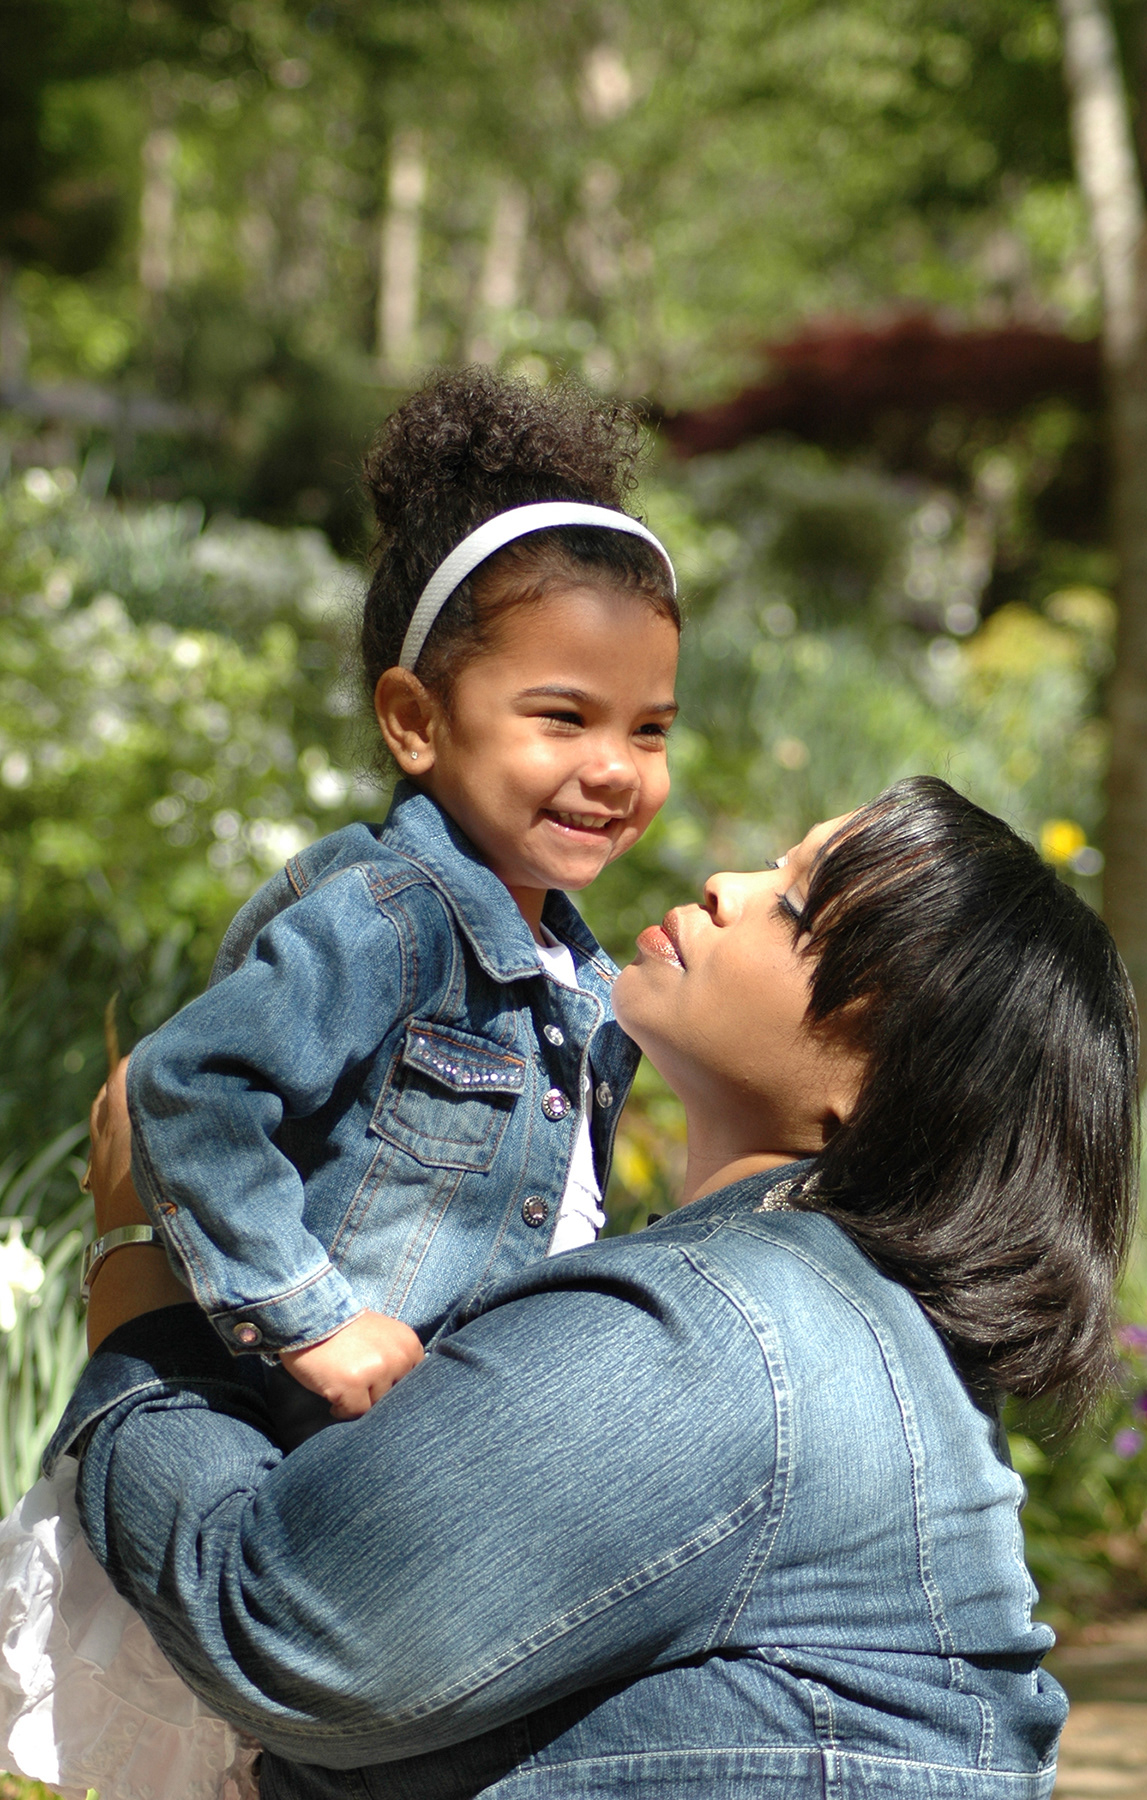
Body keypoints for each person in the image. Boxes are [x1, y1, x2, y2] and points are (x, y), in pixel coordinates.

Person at [51, 778, 1137, 1798]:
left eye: (794, 907)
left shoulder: (729, 1332)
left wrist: (141, 1274)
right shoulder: (823, 1315)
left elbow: (282, 1622)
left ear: (886, 1079)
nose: (728, 886)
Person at [112, 366, 681, 1427]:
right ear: (416, 721)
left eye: (649, 728)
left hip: (459, 1458)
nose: (616, 768)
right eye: (563, 717)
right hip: (308, 1458)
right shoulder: (390, 921)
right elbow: (189, 1086)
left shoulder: (584, 980)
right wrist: (312, 1320)